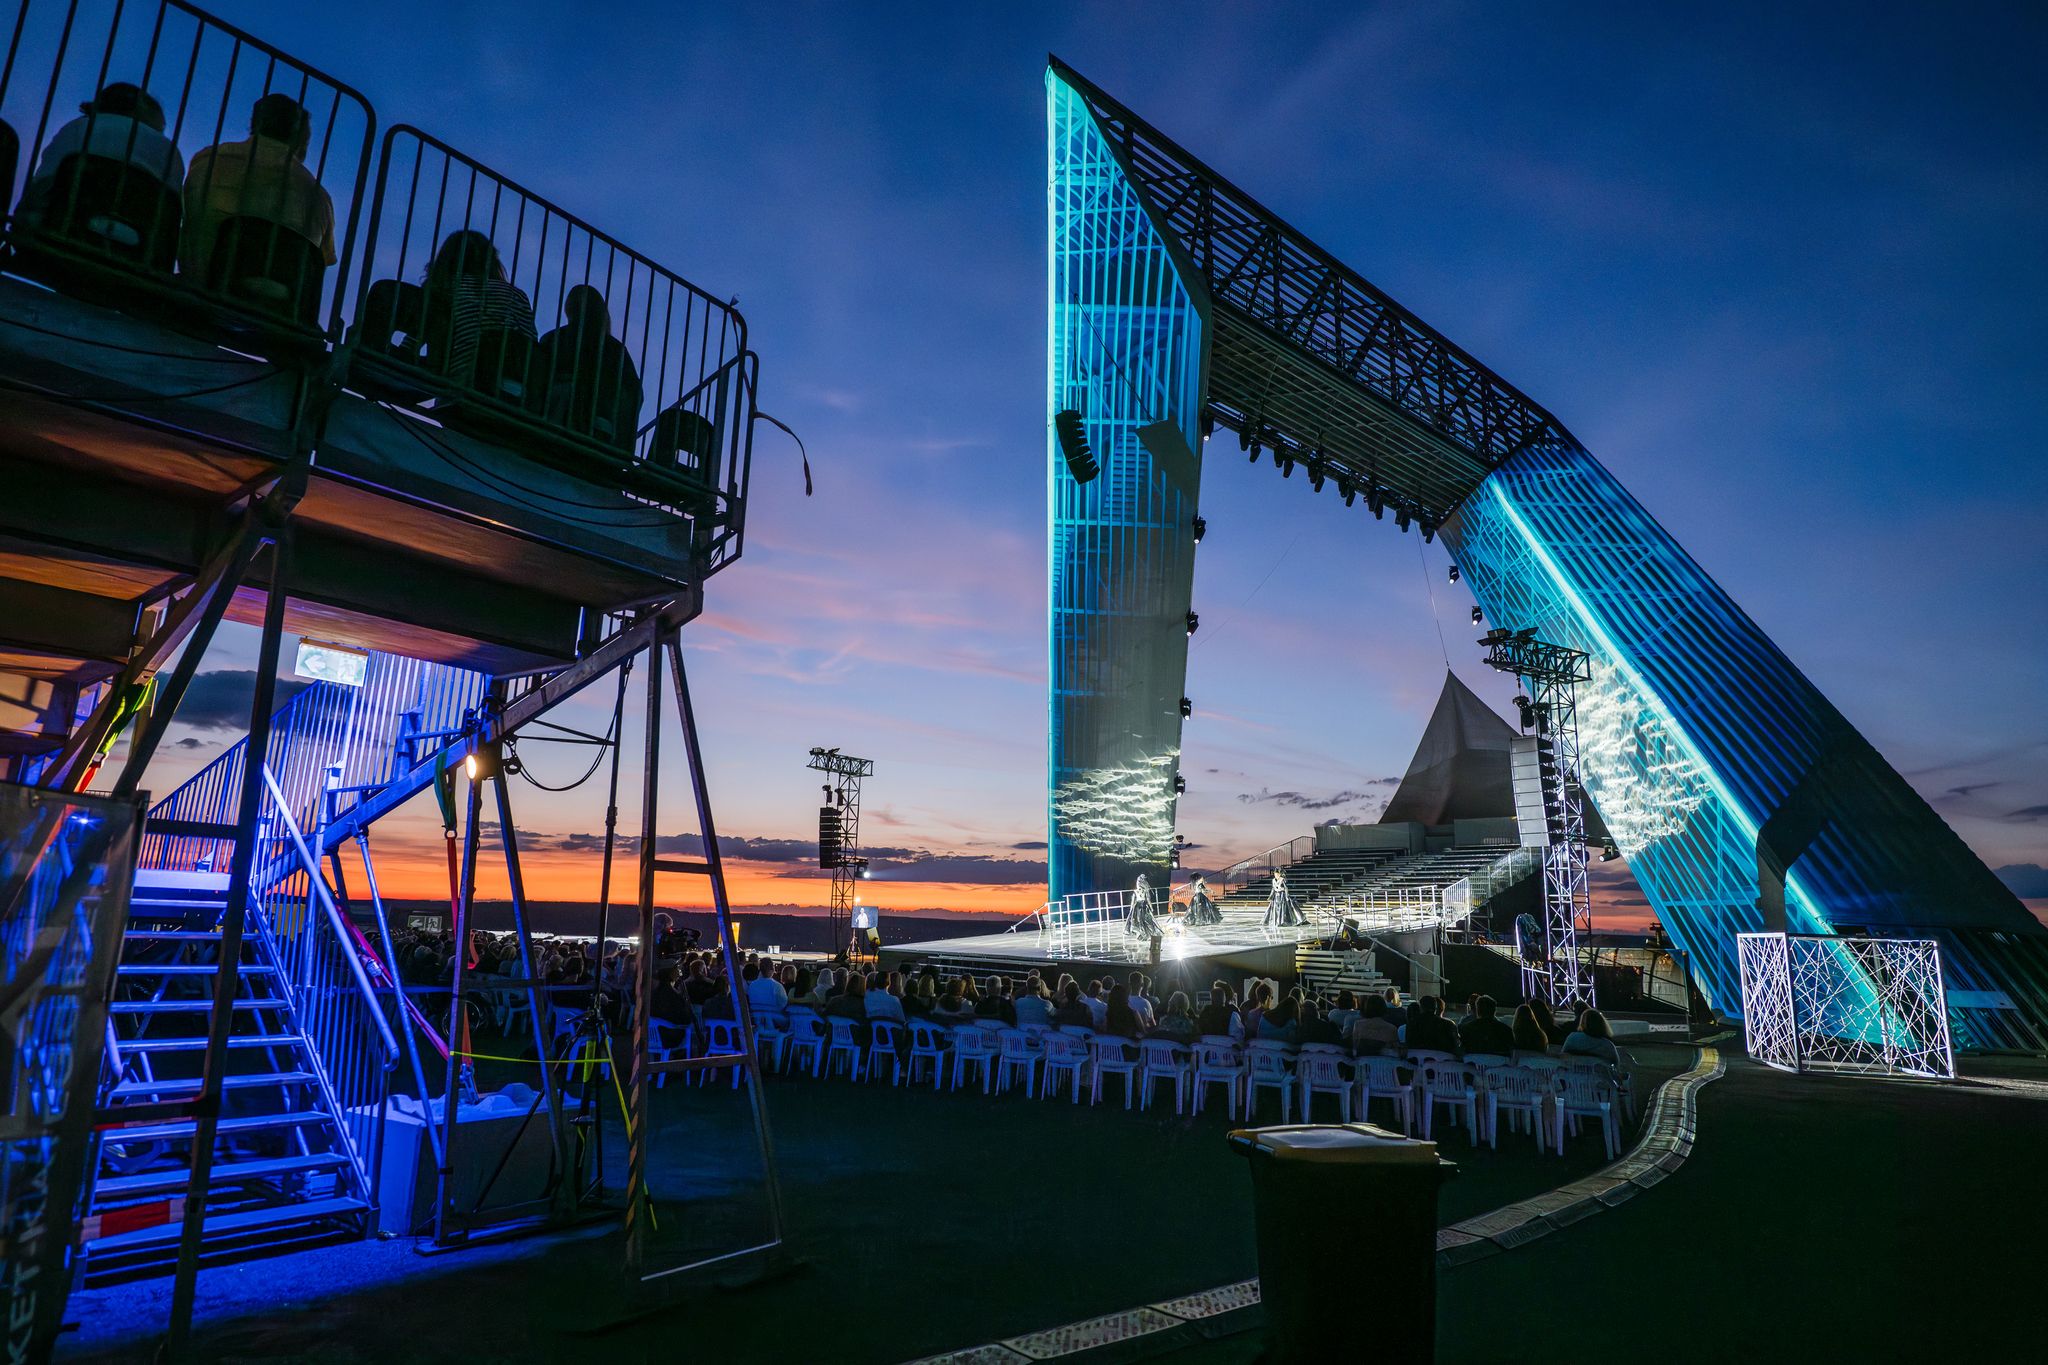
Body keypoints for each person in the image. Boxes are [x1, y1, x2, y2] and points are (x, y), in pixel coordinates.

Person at [180, 92, 338, 300]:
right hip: (277, 310)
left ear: (255, 124)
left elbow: (187, 219)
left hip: (202, 290)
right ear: (300, 138)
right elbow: (318, 264)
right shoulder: (318, 197)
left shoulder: (207, 162)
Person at [16, 82, 185, 264]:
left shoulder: (76, 129)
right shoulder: (170, 152)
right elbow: (168, 218)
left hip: (56, 241)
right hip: (136, 258)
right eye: (161, 129)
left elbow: (41, 189)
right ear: (147, 113)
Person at [422, 228, 537, 391]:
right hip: (515, 382)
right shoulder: (515, 294)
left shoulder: (447, 287)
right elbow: (530, 338)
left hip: (467, 380)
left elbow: (421, 328)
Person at [533, 283, 644, 446]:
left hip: (558, 413)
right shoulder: (615, 348)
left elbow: (537, 375)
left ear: (569, 310)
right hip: (601, 420)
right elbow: (635, 393)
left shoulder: (553, 338)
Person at [1125, 872, 1162, 938]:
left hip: (1139, 906)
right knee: (1144, 921)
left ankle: (1142, 934)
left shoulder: (1137, 892)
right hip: (1142, 906)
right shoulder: (1144, 891)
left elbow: (1133, 902)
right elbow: (1148, 900)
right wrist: (1151, 907)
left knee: (1140, 921)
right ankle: (1143, 934)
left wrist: (1131, 909)